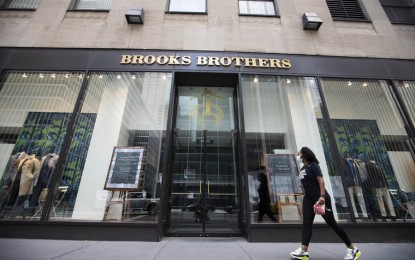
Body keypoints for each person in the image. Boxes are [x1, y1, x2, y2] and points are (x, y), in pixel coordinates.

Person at [290, 147, 361, 260]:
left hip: (320, 198)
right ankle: (303, 251)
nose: (297, 154)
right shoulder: (303, 167)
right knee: (306, 223)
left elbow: (321, 180)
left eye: (299, 153)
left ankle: (353, 249)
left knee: (332, 223)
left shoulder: (313, 165)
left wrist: (322, 196)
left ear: (304, 154)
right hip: (308, 198)